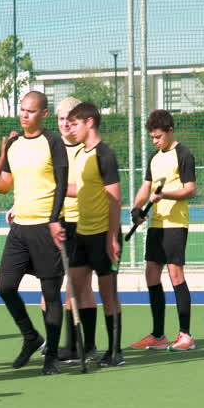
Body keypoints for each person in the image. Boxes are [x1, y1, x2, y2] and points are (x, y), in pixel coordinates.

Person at [0, 90, 69, 375]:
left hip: (47, 228)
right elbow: (4, 185)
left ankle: (51, 357)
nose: (25, 115)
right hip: (20, 229)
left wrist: (54, 220)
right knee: (5, 287)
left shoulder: (53, 142)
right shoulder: (14, 144)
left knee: (51, 295)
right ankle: (31, 337)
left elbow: (62, 185)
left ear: (43, 114)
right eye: (22, 110)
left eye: (31, 111)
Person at [130, 109, 198, 352]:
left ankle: (186, 335)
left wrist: (165, 194)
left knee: (175, 274)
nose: (155, 141)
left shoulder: (184, 154)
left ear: (170, 131)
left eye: (158, 136)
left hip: (175, 224)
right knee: (151, 274)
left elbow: (190, 189)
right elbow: (145, 187)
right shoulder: (154, 157)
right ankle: (158, 335)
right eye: (152, 137)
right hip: (156, 225)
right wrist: (136, 208)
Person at [65, 101, 125, 367]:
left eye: (75, 124)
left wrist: (112, 238)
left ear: (89, 122)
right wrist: (49, 187)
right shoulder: (80, 154)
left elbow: (115, 198)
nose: (70, 128)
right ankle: (85, 347)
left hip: (103, 235)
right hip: (82, 233)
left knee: (107, 293)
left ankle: (115, 352)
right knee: (74, 287)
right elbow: (80, 188)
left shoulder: (105, 155)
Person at [54, 96, 96, 363]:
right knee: (59, 288)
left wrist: (55, 190)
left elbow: (86, 187)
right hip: (58, 223)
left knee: (81, 287)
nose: (66, 124)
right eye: (61, 119)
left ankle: (86, 345)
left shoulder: (86, 149)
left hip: (83, 222)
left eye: (71, 119)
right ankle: (68, 344)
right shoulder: (52, 147)